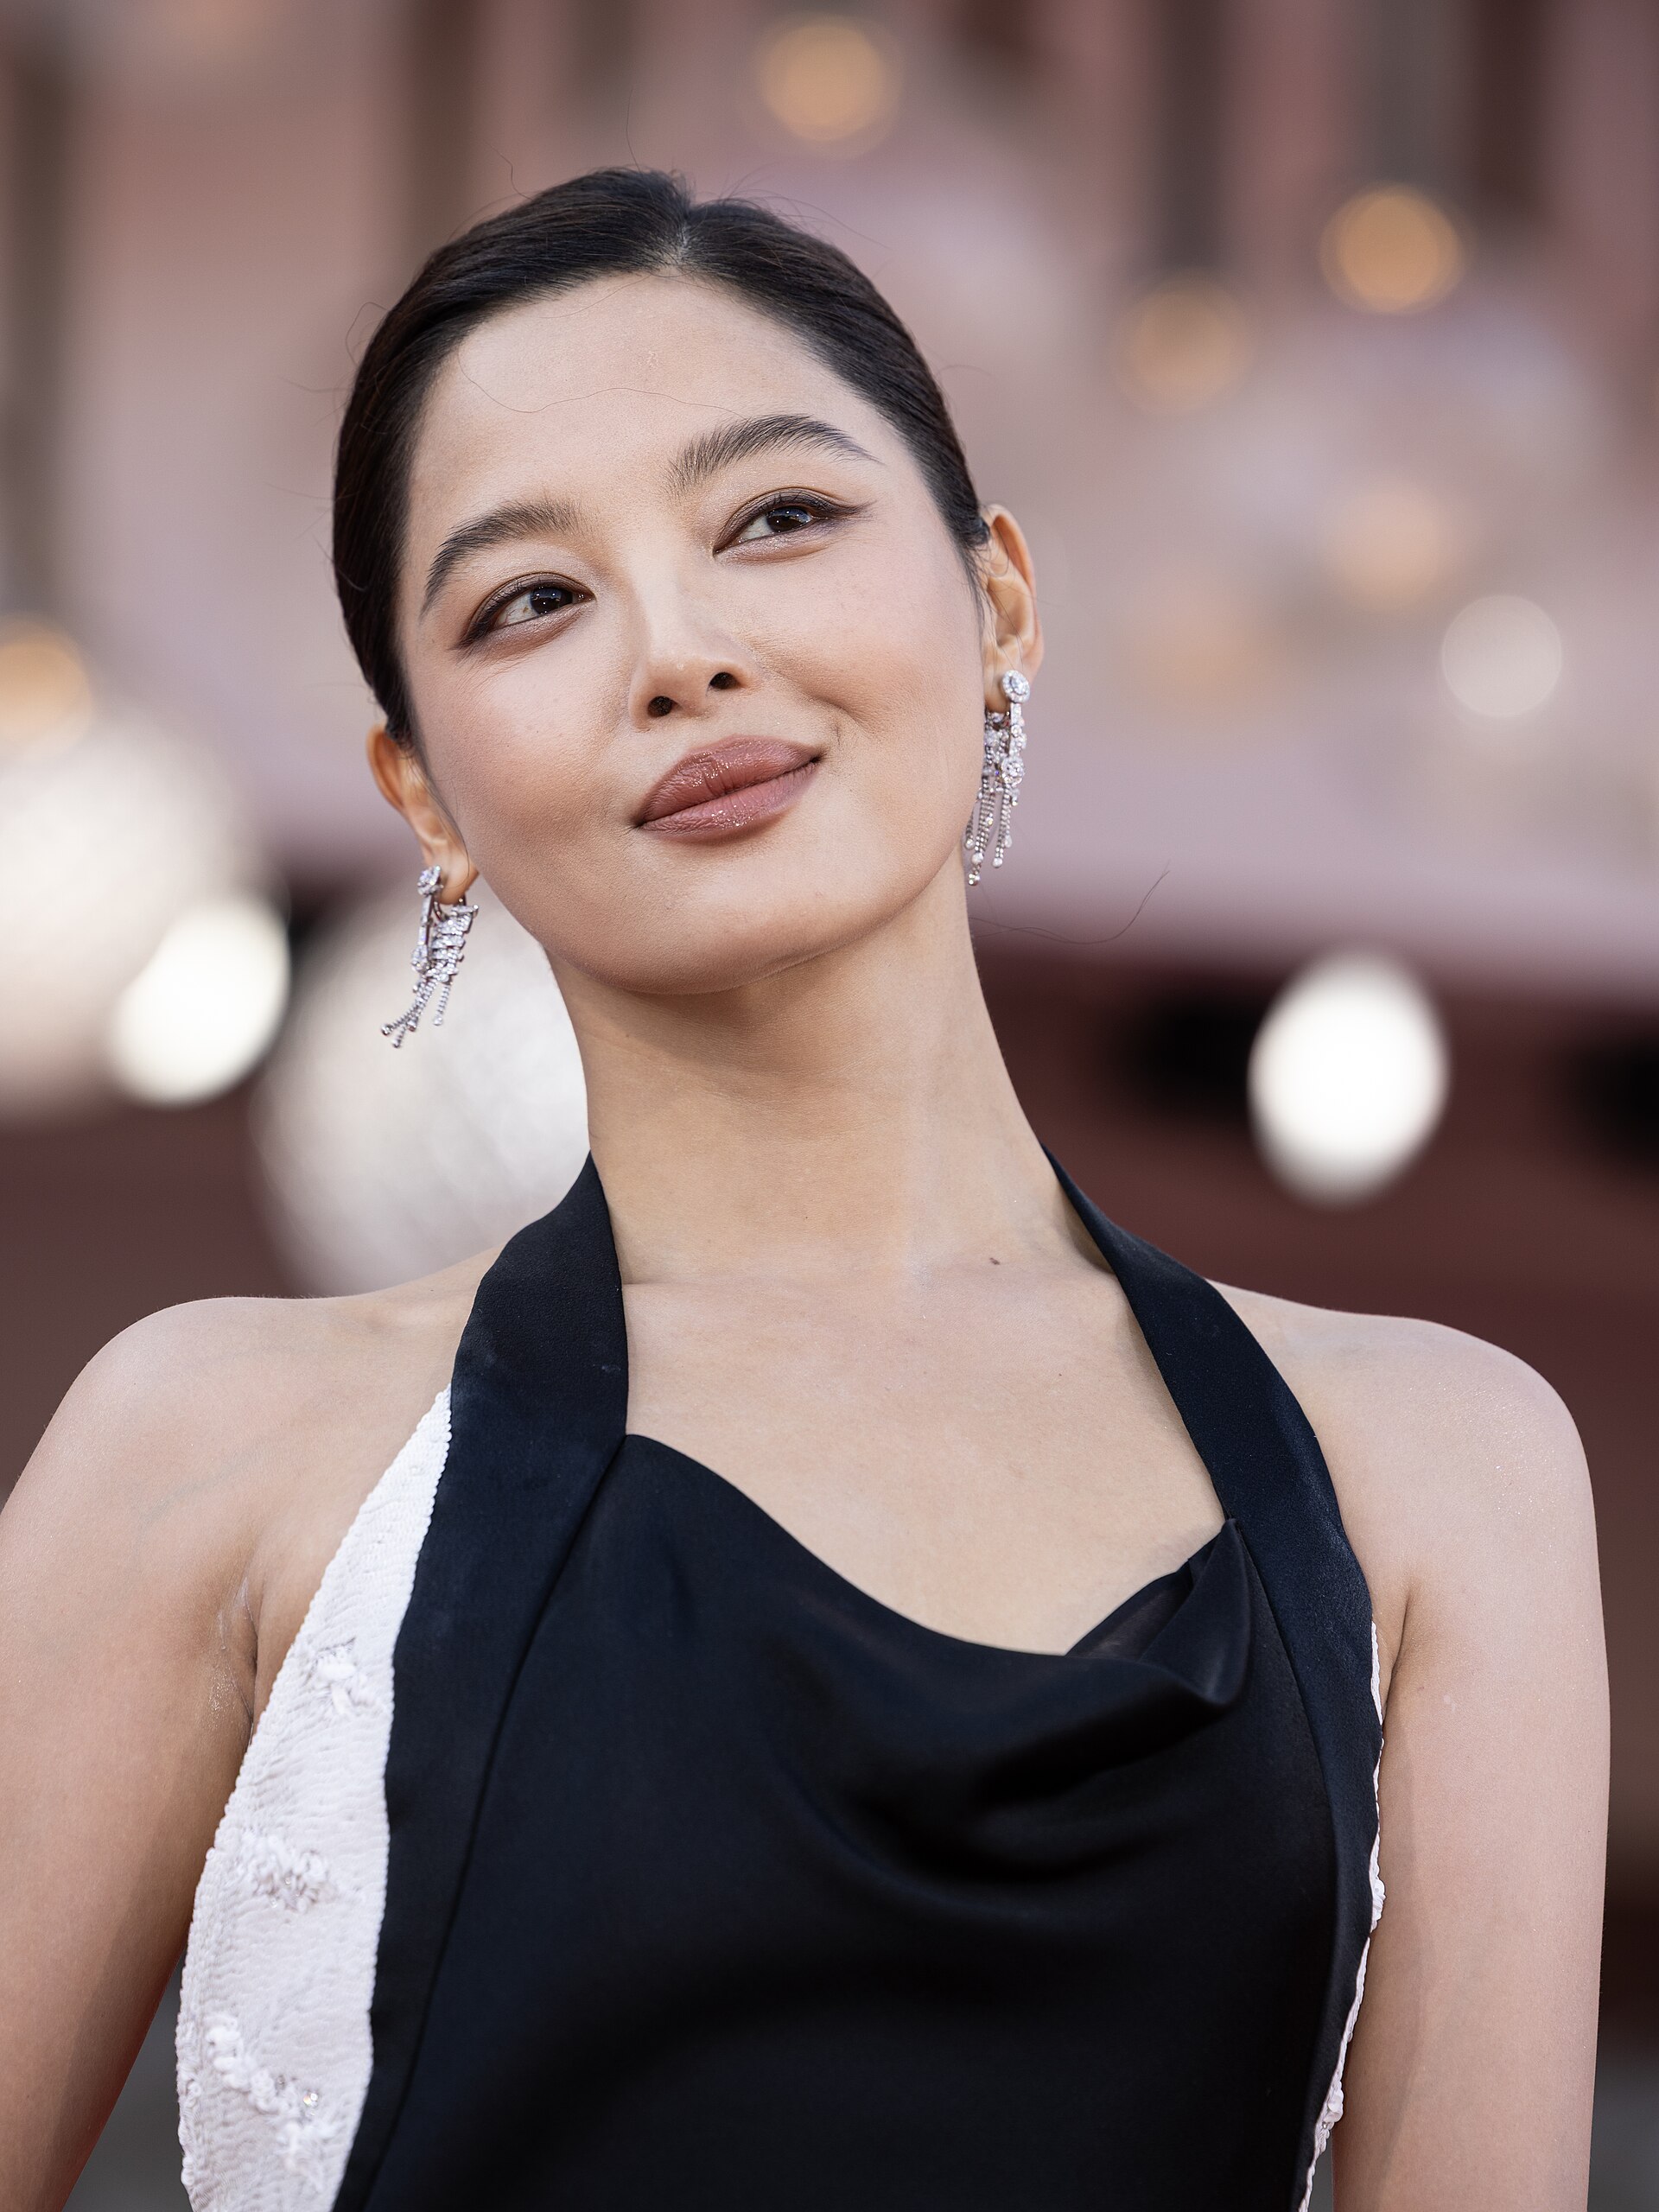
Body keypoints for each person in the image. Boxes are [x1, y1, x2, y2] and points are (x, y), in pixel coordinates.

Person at [0, 170, 1606, 2212]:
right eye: (530, 600)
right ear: (424, 790)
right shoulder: (213, 1451)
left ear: (1000, 596)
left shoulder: (1439, 1467)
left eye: (775, 516)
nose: (679, 652)